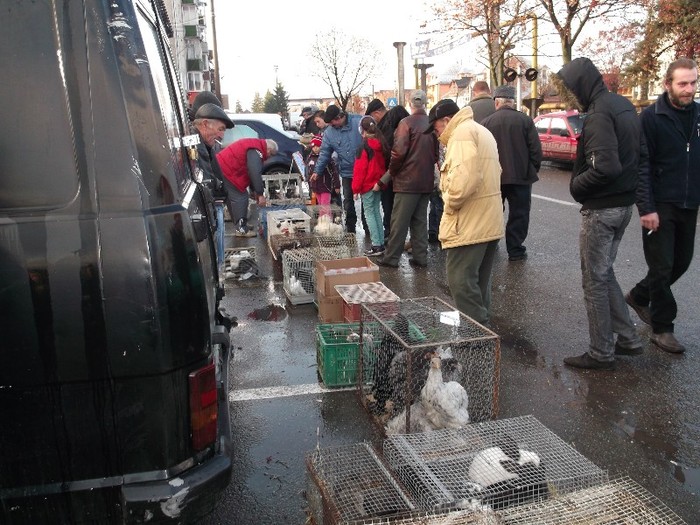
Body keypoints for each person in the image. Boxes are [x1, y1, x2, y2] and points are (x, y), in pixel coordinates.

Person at [552, 57, 645, 371]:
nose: (571, 92)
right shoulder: (624, 106)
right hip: (622, 207)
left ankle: (601, 352)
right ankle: (629, 340)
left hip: (602, 209)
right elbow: (640, 156)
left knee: (594, 280)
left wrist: (578, 186)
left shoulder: (599, 114)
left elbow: (606, 166)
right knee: (604, 275)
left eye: (571, 86)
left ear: (582, 84)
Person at [626, 58, 700, 354]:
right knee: (662, 265)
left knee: (681, 262)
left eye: (693, 82)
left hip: (689, 202)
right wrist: (646, 208)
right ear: (668, 84)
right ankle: (662, 328)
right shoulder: (651, 118)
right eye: (683, 83)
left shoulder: (697, 115)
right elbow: (641, 166)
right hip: (660, 204)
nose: (689, 89)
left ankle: (639, 295)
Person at [425, 99, 503, 324]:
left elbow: (463, 182)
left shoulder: (461, 134)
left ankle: (476, 334)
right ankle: (483, 330)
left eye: (436, 128)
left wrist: (448, 201)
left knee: (460, 280)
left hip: (469, 222)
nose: (437, 134)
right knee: (478, 281)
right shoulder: (480, 130)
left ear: (446, 120)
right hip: (487, 219)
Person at [376, 90, 438, 268]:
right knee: (420, 221)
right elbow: (435, 154)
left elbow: (398, 153)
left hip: (407, 182)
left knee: (399, 222)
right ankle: (420, 257)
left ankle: (391, 258)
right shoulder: (432, 124)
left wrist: (391, 174)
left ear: (410, 104)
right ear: (425, 103)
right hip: (425, 181)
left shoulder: (405, 123)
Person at [481, 85, 543, 261]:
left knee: (493, 213)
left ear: (497, 102)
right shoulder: (525, 120)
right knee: (520, 214)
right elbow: (536, 151)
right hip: (521, 177)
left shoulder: (486, 123)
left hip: (494, 178)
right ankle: (515, 250)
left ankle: (490, 247)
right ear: (512, 102)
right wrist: (531, 169)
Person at [311, 105, 363, 233]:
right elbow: (324, 153)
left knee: (367, 202)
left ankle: (368, 229)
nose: (331, 126)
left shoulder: (358, 122)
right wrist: (317, 171)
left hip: (363, 171)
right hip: (347, 172)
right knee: (348, 200)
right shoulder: (330, 132)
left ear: (339, 117)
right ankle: (351, 228)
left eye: (333, 123)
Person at [366, 99, 410, 238]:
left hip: (390, 173)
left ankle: (391, 235)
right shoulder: (403, 124)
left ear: (376, 112)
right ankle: (395, 235)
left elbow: (389, 151)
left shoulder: (388, 124)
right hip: (402, 174)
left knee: (389, 206)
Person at [217, 138, 278, 237]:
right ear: (269, 150)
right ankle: (241, 229)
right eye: (270, 155)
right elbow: (254, 172)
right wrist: (260, 194)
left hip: (223, 168)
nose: (268, 157)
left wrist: (254, 191)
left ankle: (240, 224)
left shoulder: (255, 145)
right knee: (241, 197)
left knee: (233, 198)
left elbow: (250, 172)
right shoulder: (256, 150)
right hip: (227, 170)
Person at [352, 117, 389, 256]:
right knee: (376, 213)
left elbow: (360, 170)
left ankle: (376, 245)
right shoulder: (380, 143)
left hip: (367, 186)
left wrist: (355, 189)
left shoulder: (364, 147)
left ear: (362, 130)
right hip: (378, 184)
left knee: (370, 215)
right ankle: (380, 243)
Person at [305, 135, 340, 217]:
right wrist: (309, 182)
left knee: (325, 206)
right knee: (321, 205)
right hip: (315, 186)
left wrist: (336, 185)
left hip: (325, 186)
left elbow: (334, 172)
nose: (315, 149)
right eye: (313, 147)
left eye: (318, 146)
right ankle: (323, 222)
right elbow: (308, 172)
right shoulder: (310, 158)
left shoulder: (327, 158)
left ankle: (326, 222)